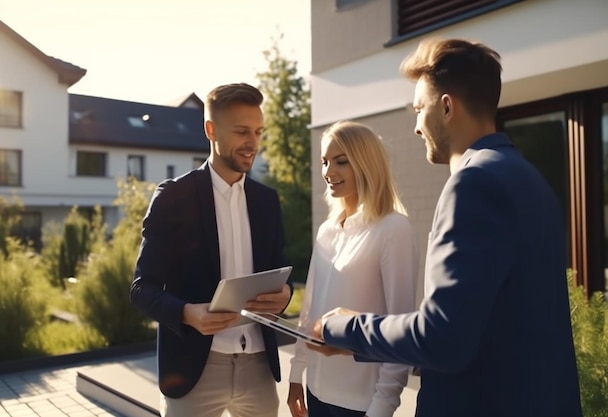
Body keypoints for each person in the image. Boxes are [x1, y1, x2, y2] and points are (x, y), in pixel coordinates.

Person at [310, 38, 583, 417]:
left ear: (447, 106)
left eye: (419, 109)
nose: (418, 127)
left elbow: (442, 337)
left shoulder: (472, 185)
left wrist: (346, 328)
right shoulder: (531, 179)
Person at [129, 82, 293, 417]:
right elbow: (141, 290)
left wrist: (286, 294)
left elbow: (281, 270)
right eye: (242, 132)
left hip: (260, 369)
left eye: (259, 132)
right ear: (210, 130)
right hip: (195, 370)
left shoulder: (267, 201)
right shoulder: (174, 198)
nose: (253, 143)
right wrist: (189, 313)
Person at [287, 121, 417, 417]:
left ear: (366, 163)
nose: (329, 172)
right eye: (325, 162)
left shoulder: (393, 229)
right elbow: (310, 309)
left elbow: (399, 329)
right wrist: (297, 374)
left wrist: (382, 408)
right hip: (315, 393)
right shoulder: (326, 231)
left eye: (341, 161)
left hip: (361, 405)